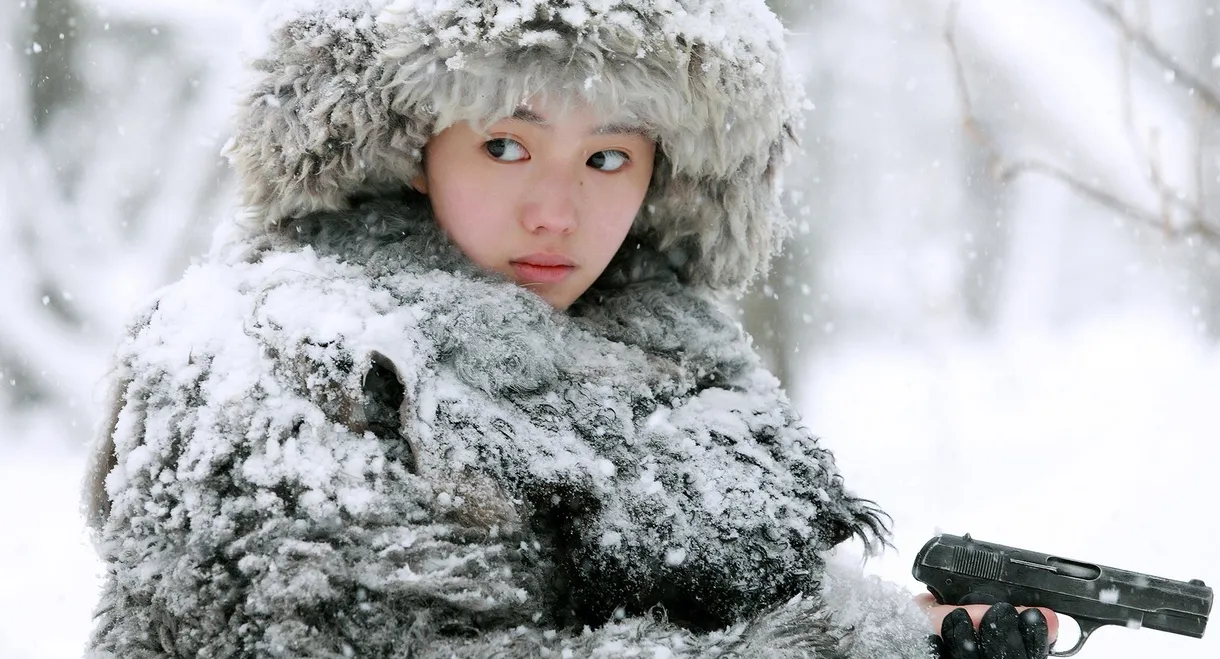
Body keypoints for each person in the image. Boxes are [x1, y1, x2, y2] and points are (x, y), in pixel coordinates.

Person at [81, 1, 1056, 657]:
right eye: (506, 144)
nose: (557, 209)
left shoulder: (683, 374)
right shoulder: (273, 367)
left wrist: (905, 630)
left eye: (606, 157)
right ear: (415, 148)